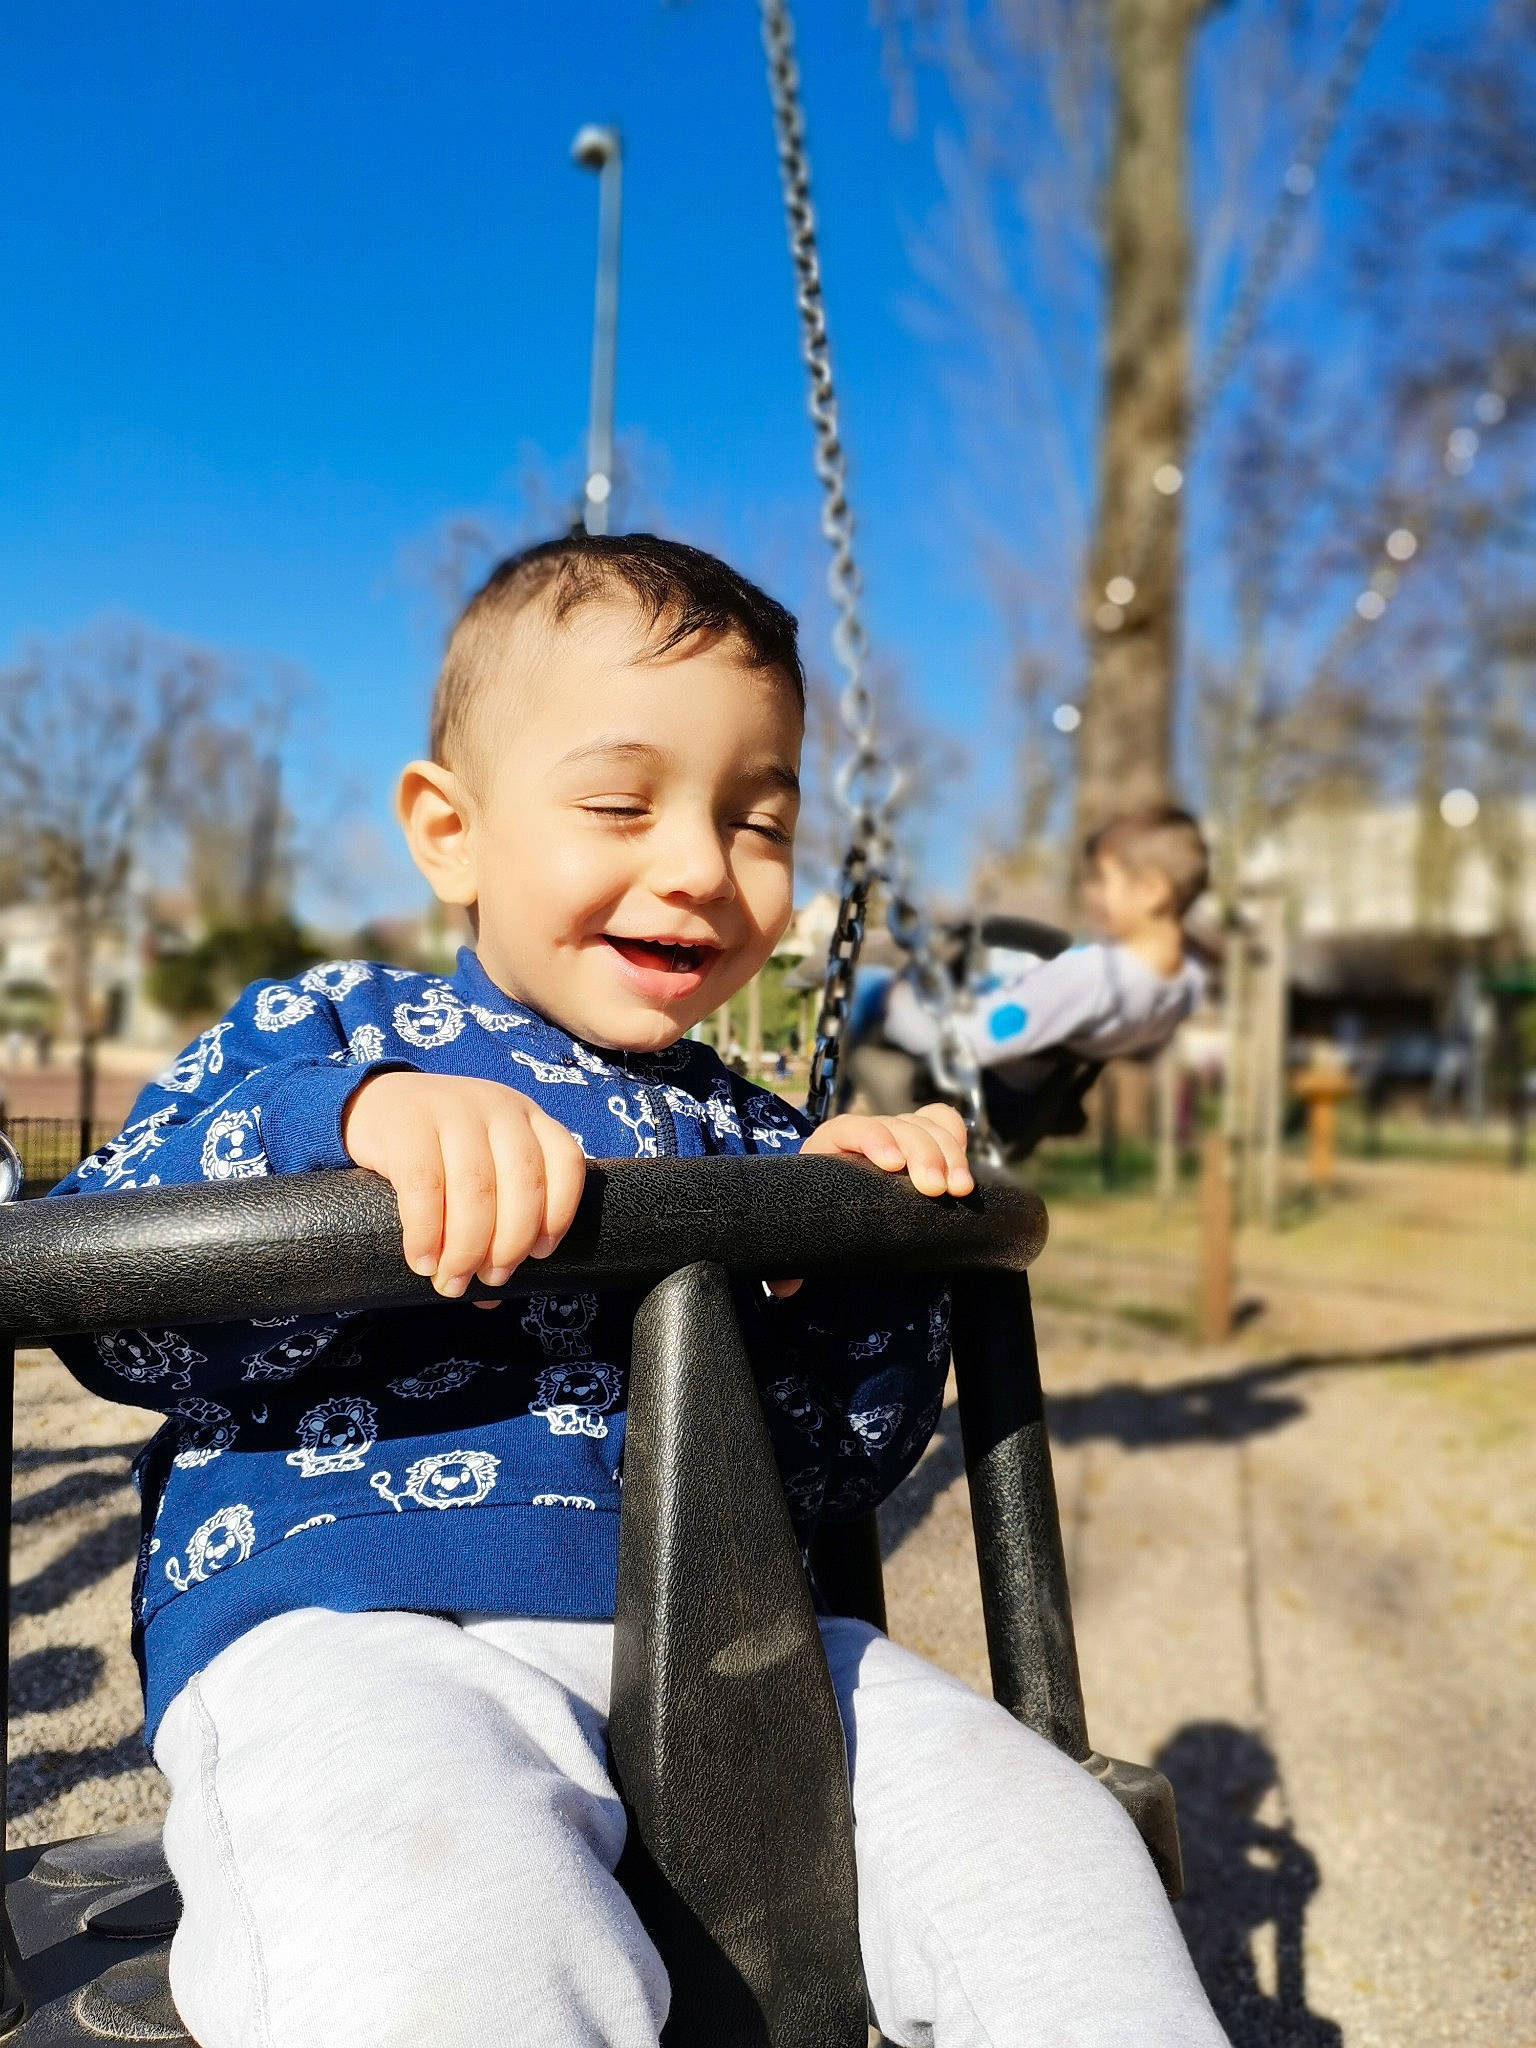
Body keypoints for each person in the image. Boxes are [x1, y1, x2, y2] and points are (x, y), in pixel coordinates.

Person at [51, 535, 1226, 2048]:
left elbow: (842, 1455)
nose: (696, 864)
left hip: (737, 1641)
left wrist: (863, 1239)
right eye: (621, 803)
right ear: (450, 830)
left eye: (758, 820)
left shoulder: (751, 1127)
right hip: (357, 1619)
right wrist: (345, 1131)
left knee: (1045, 1851)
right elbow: (110, 1284)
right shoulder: (329, 1032)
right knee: (442, 1921)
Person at [884, 805, 1210, 1078]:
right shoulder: (1188, 983)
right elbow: (1144, 1054)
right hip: (1043, 1085)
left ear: (1151, 891)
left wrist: (896, 1004)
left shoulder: (1091, 974)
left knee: (871, 984)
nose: (1089, 892)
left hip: (988, 1080)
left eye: (1101, 878)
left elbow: (973, 1040)